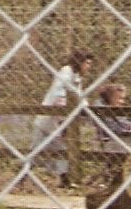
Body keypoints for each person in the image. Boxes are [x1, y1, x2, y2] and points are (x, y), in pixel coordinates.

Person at [32, 49, 93, 188]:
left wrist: (85, 107)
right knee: (35, 150)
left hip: (59, 121)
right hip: (49, 118)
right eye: (87, 63)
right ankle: (21, 177)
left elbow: (78, 96)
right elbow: (58, 93)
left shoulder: (76, 76)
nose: (88, 67)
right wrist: (64, 116)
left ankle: (65, 180)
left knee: (61, 150)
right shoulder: (66, 72)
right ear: (79, 62)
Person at [93, 82, 131, 185]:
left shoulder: (116, 108)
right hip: (109, 139)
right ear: (110, 97)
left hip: (121, 137)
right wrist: (130, 127)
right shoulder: (102, 108)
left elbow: (121, 123)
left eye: (123, 98)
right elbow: (111, 127)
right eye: (119, 98)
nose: (122, 102)